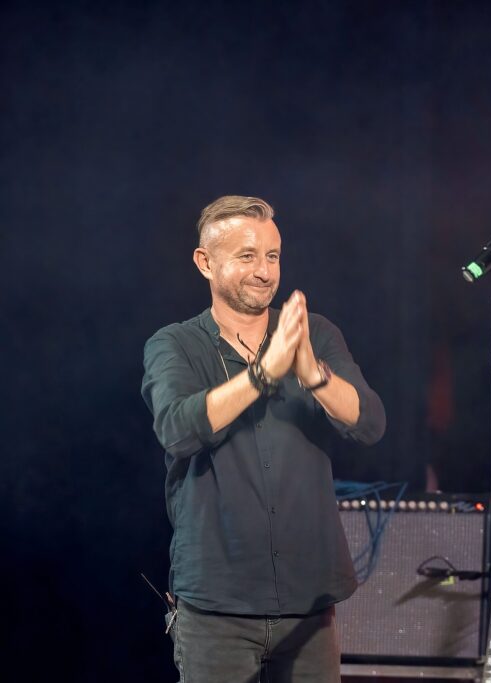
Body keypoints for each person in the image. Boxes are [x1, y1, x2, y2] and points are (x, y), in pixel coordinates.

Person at [141, 195, 386, 682]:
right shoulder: (174, 343)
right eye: (247, 256)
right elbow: (176, 428)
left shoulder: (314, 333)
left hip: (309, 605)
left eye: (272, 256)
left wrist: (312, 374)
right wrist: (263, 374)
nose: (264, 271)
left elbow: (370, 422)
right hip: (217, 608)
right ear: (205, 262)